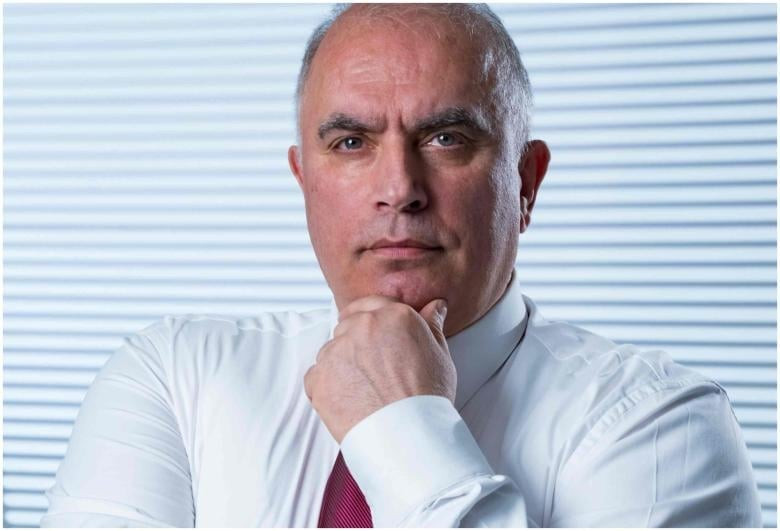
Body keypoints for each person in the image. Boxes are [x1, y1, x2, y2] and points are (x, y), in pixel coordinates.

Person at [42, 3, 762, 528]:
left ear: (526, 183)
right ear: (304, 181)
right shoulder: (173, 377)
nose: (399, 188)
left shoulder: (663, 426)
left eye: (446, 138)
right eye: (351, 143)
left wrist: (399, 426)